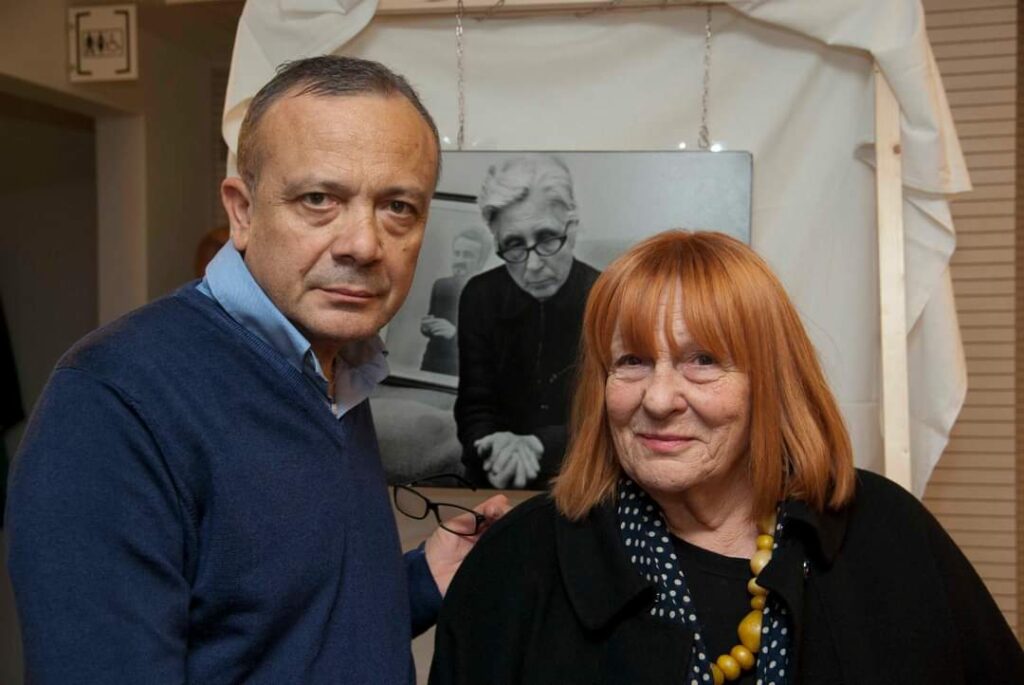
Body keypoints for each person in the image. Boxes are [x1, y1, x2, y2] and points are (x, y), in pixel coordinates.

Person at [6, 56, 507, 684]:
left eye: (398, 206)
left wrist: (422, 578)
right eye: (320, 199)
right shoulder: (112, 402)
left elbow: (277, 633)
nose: (364, 243)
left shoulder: (340, 371)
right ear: (242, 212)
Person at [431, 230, 1024, 684]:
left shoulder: (888, 533)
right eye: (632, 361)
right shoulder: (518, 563)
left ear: (771, 381)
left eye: (704, 361)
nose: (659, 399)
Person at [455, 154, 600, 490]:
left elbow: (611, 416)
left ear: (573, 229)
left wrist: (538, 446)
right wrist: (492, 444)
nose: (533, 266)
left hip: (583, 479)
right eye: (514, 245)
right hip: (494, 475)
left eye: (548, 239)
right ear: (497, 244)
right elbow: (474, 406)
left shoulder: (608, 298)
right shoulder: (479, 296)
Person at [419, 225, 489, 375]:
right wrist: (426, 328)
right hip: (431, 364)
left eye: (468, 255)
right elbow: (432, 326)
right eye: (457, 253)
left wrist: (454, 333)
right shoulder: (441, 285)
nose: (460, 260)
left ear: (481, 261)